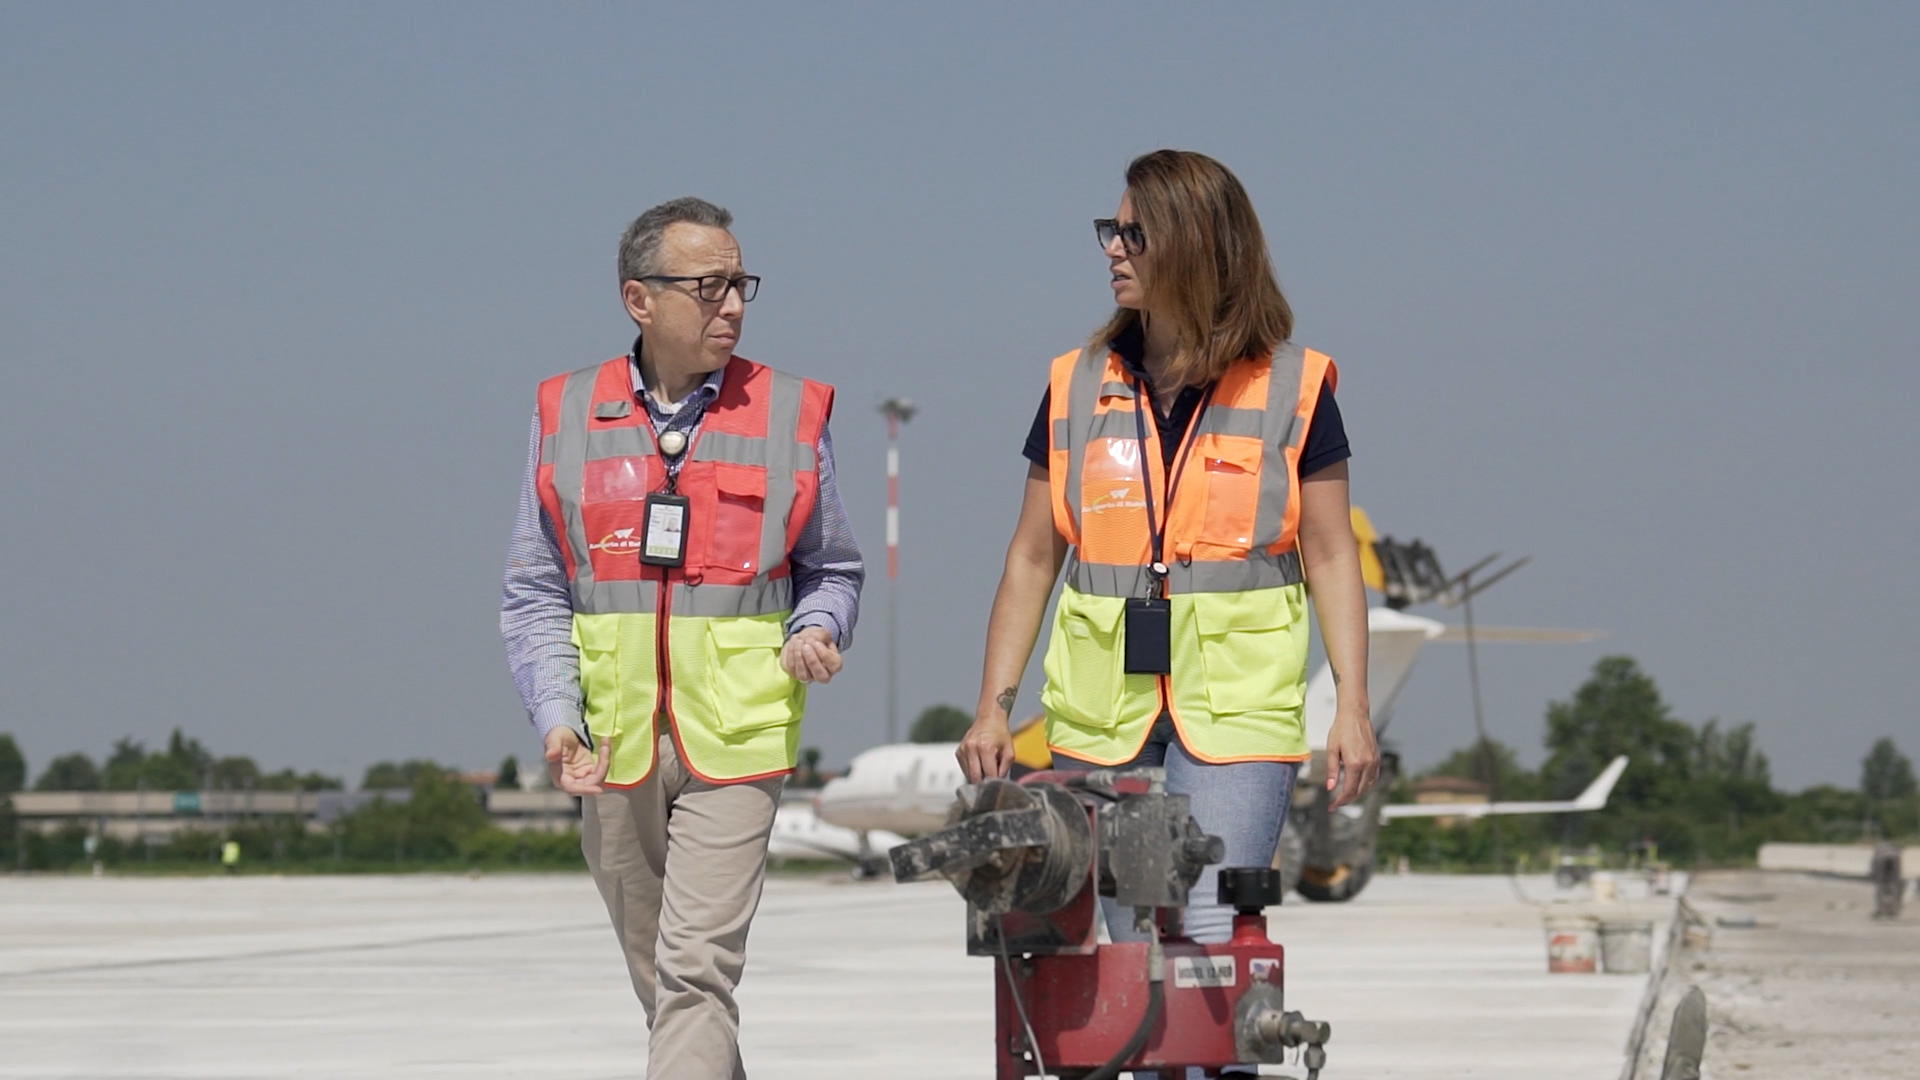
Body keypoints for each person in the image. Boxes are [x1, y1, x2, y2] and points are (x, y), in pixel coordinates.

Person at [957, 150, 1379, 947]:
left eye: (1134, 234)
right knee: (1137, 952)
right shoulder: (1075, 382)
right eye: (1110, 232)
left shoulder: (1296, 385)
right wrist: (993, 708)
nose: (1113, 249)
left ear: (1197, 245)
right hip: (1102, 710)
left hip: (1236, 710)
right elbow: (1032, 557)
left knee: (1212, 939)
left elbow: (1329, 553)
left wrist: (1351, 708)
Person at [500, 197, 863, 1079]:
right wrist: (556, 715)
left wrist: (817, 627)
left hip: (735, 740)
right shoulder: (566, 412)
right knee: (663, 984)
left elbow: (833, 567)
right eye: (709, 286)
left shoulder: (789, 412)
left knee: (696, 970)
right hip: (612, 747)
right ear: (639, 298)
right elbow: (535, 588)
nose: (732, 303)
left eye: (741, 284)